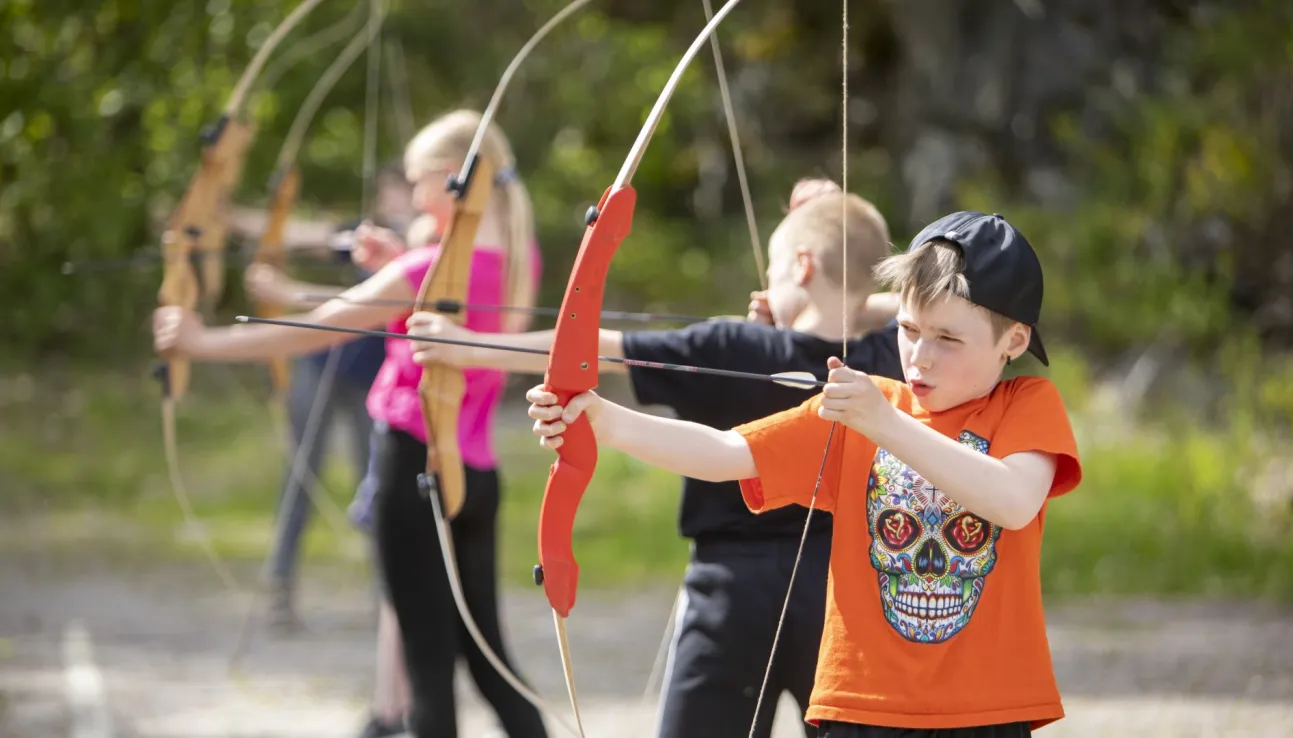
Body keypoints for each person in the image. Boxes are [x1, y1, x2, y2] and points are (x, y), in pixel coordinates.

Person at [524, 211, 1084, 738]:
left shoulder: (1023, 405)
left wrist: (884, 423)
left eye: (948, 339)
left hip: (986, 706)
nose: (920, 357)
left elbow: (1012, 500)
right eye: (909, 329)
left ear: (1013, 341)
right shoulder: (867, 406)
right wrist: (602, 419)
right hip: (860, 703)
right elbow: (724, 452)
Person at [407, 179, 903, 738]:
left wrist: (467, 344)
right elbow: (911, 301)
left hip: (730, 591)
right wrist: (851, 290)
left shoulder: (732, 346)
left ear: (804, 265)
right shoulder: (887, 357)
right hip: (841, 592)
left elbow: (590, 344)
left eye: (774, 268)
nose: (765, 286)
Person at [153, 109, 549, 738]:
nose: (414, 196)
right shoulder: (515, 256)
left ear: (453, 179)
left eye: (421, 181)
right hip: (476, 478)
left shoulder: (425, 268)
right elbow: (403, 300)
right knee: (489, 662)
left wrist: (198, 342)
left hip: (413, 471)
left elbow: (316, 332)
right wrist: (394, 259)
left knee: (427, 679)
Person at [235, 160, 416, 631]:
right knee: (301, 478)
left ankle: (391, 598)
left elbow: (372, 308)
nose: (396, 202)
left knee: (376, 484)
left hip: (371, 384)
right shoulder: (365, 236)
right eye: (390, 192)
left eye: (406, 192)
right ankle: (279, 590)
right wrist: (232, 219)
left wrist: (288, 291)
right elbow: (303, 234)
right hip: (319, 368)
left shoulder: (422, 252)